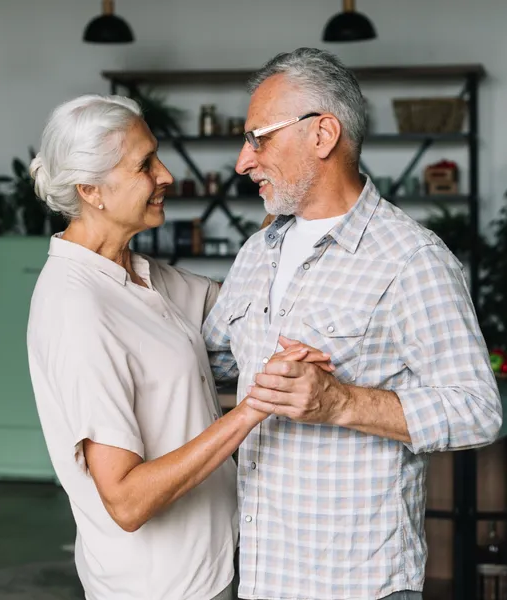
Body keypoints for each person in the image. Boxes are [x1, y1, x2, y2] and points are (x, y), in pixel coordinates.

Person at [202, 48, 503, 600]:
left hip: (357, 582)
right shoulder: (255, 252)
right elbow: (216, 363)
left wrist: (340, 401)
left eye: (258, 138)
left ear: (322, 136)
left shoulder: (411, 258)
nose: (243, 162)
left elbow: (477, 410)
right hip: (261, 575)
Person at [25, 94, 332, 600]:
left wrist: (284, 195)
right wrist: (252, 407)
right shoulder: (76, 306)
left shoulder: (139, 275)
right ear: (91, 190)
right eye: (146, 164)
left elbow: (244, 295)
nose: (165, 175)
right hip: (162, 587)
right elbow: (125, 500)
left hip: (217, 564)